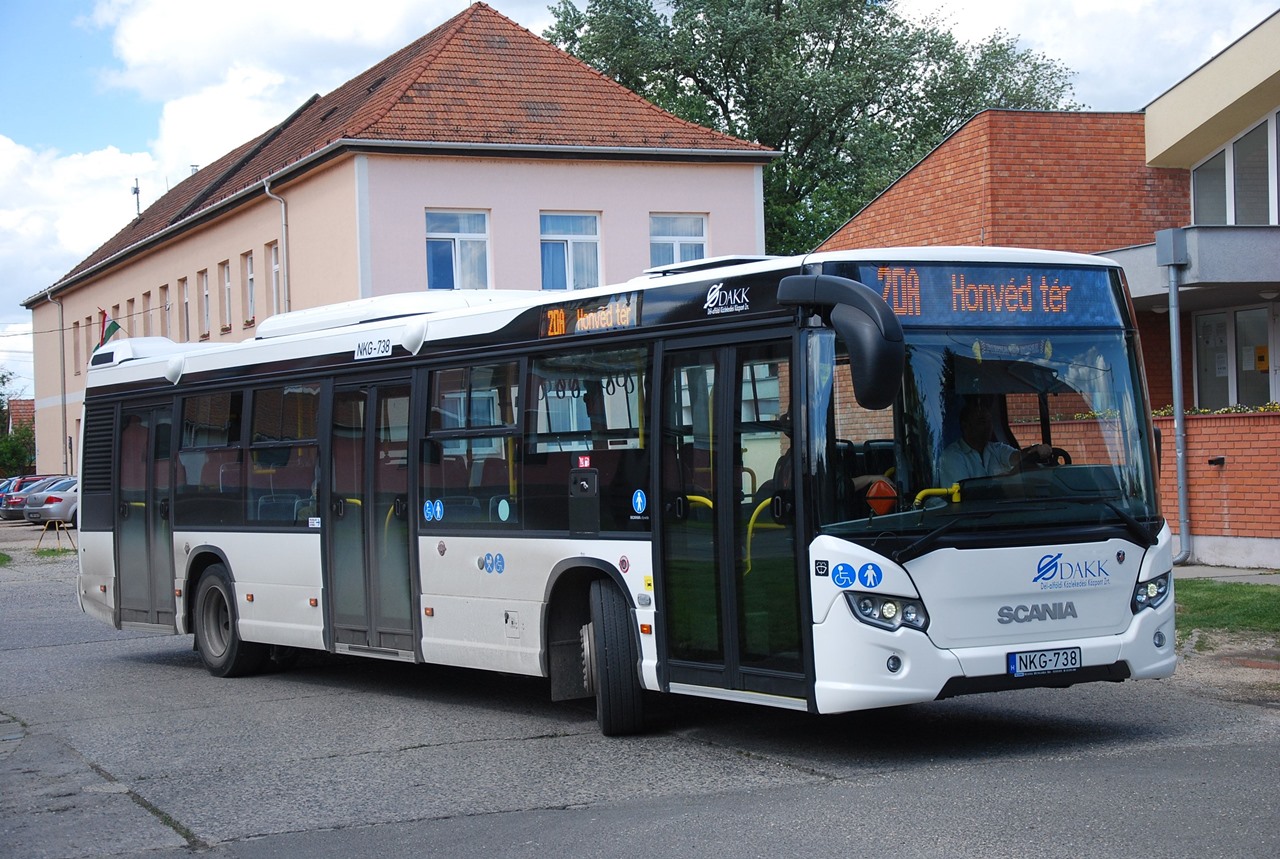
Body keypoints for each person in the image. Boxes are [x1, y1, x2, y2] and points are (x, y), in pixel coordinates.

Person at [938, 396, 1051, 486]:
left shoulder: (997, 448)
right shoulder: (952, 456)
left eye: (990, 421)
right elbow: (965, 494)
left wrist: (1035, 450)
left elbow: (1018, 457)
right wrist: (1003, 480)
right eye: (982, 421)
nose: (988, 426)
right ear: (965, 426)